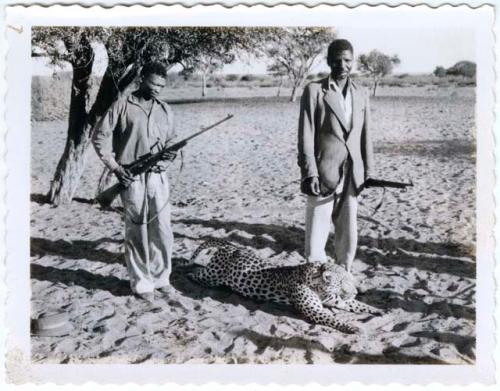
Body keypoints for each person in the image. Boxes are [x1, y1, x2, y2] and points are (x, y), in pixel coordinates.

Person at [92, 61, 177, 303]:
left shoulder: (165, 110)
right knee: (137, 231)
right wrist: (115, 168)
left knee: (162, 230)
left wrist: (170, 153)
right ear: (141, 79)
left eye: (161, 85)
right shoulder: (121, 106)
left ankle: (162, 279)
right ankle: (142, 284)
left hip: (159, 178)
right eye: (152, 84)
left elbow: (172, 139)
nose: (157, 89)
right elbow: (100, 137)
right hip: (131, 178)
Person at [297, 39, 374, 273]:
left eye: (347, 60)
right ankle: (314, 276)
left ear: (353, 62)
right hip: (323, 171)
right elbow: (306, 135)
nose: (343, 65)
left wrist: (368, 171)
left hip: (353, 172)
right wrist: (309, 172)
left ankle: (344, 274)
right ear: (329, 61)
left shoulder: (361, 93)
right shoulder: (314, 91)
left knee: (348, 229)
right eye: (337, 60)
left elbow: (365, 135)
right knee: (317, 230)